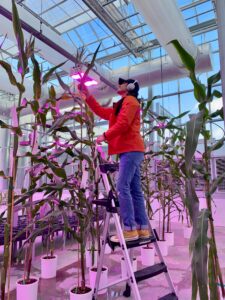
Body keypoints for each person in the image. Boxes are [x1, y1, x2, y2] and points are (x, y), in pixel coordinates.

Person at [79, 78, 150, 242]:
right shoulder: (120, 106)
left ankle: (130, 229)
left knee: (122, 187)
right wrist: (88, 96)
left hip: (130, 150)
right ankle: (142, 228)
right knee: (135, 190)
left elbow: (124, 124)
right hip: (131, 150)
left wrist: (104, 136)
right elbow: (100, 111)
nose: (119, 83)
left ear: (130, 87)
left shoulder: (130, 102)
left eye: (123, 82)